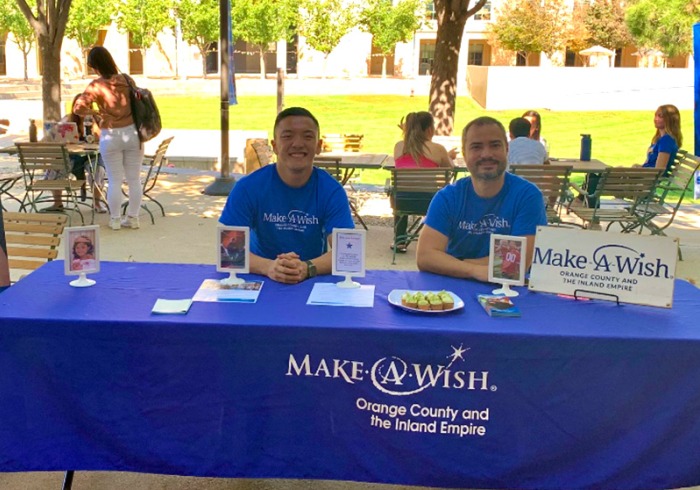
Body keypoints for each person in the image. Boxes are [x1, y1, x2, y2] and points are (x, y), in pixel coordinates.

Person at [219, 107, 354, 284]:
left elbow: (348, 252)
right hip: (258, 278)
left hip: (310, 280)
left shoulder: (332, 191)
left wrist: (307, 268)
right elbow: (228, 249)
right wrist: (268, 267)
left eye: (307, 136)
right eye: (288, 136)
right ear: (274, 146)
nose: (297, 143)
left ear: (319, 146)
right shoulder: (248, 187)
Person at [416, 116, 547, 282]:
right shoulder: (448, 197)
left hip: (506, 291)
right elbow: (425, 256)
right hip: (452, 291)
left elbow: (516, 264)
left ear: (507, 149)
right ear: (464, 153)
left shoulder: (527, 196)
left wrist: (454, 263)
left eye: (495, 145)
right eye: (476, 147)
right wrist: (475, 270)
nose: (486, 154)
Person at [74, 46, 144, 231]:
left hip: (111, 134)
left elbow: (78, 108)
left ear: (95, 66)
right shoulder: (127, 80)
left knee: (114, 179)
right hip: (133, 133)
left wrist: (95, 111)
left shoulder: (95, 86)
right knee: (134, 179)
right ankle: (133, 217)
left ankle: (115, 219)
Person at [392, 111, 454, 253]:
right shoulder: (438, 149)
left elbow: (414, 147)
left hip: (401, 201)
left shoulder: (399, 147)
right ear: (430, 129)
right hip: (431, 202)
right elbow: (451, 168)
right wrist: (448, 156)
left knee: (403, 188)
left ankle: (399, 240)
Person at [46, 94, 108, 213]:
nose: (81, 109)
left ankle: (97, 203)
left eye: (85, 106)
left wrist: (92, 120)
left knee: (97, 170)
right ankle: (57, 203)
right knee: (56, 166)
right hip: (72, 154)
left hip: (93, 154)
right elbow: (54, 135)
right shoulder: (68, 119)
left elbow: (103, 137)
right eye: (78, 106)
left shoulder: (97, 119)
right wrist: (64, 139)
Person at [641, 104, 682, 176]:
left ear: (670, 120)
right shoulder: (659, 139)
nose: (656, 119)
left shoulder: (667, 141)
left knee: (617, 174)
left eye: (660, 116)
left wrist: (636, 172)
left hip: (648, 179)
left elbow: (659, 171)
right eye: (655, 115)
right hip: (645, 176)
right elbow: (649, 164)